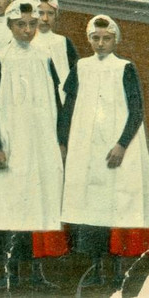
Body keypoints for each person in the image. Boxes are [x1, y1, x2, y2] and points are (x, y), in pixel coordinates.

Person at [0, 0, 65, 290]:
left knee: (38, 202)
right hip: (10, 142)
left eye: (32, 24)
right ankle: (6, 271)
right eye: (20, 25)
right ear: (10, 26)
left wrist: (60, 141)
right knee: (9, 204)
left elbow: (57, 102)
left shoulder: (44, 56)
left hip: (39, 143)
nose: (27, 30)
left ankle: (36, 272)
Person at [60, 15, 149, 289]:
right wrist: (63, 142)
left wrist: (122, 144)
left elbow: (136, 110)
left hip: (116, 148)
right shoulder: (80, 67)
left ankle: (117, 269)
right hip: (86, 148)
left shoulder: (124, 68)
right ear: (89, 39)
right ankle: (97, 266)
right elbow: (68, 107)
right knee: (92, 204)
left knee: (117, 201)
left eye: (106, 38)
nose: (101, 43)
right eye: (95, 38)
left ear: (115, 40)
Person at [29, 0, 78, 101]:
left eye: (50, 13)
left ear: (56, 15)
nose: (45, 19)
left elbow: (73, 76)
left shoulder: (64, 43)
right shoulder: (26, 43)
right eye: (40, 13)